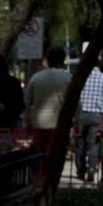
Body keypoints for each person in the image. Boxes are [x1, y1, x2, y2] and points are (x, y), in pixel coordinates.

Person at [24, 47, 71, 175]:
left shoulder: (36, 78)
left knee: (39, 159)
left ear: (47, 60)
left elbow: (27, 102)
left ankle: (38, 180)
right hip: (60, 126)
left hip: (39, 125)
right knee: (56, 159)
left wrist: (28, 122)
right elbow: (76, 103)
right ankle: (51, 181)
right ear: (63, 60)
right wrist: (77, 124)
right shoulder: (68, 78)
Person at [76, 59, 103, 182]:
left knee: (80, 143)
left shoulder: (80, 78)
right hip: (97, 116)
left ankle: (80, 170)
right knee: (94, 144)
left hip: (80, 115)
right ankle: (92, 168)